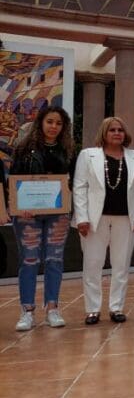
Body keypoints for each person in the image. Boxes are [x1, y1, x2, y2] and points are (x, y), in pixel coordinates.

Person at [73, 117, 134, 325]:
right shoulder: (88, 155)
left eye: (120, 130)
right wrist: (82, 218)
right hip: (94, 220)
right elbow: (79, 186)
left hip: (126, 218)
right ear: (104, 133)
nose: (117, 133)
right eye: (112, 130)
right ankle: (92, 309)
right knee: (93, 264)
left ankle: (116, 308)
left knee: (121, 265)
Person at [11, 107, 74, 331]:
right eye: (50, 122)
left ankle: (52, 309)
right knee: (29, 260)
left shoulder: (68, 151)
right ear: (40, 123)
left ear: (63, 127)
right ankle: (27, 311)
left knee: (54, 260)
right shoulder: (23, 149)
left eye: (59, 123)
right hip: (27, 215)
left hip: (58, 214)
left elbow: (73, 182)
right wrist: (20, 206)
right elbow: (14, 179)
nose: (54, 127)